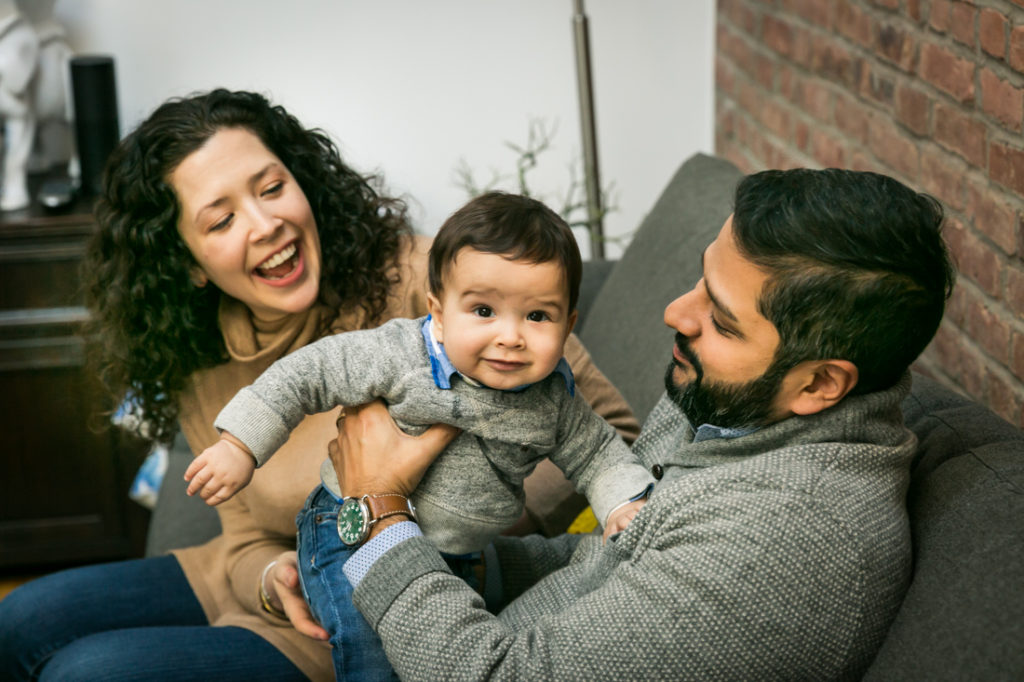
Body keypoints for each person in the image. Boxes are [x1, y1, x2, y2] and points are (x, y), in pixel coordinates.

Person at [0, 89, 639, 681]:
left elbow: (610, 432)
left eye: (272, 188)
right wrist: (270, 578)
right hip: (281, 580)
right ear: (188, 264)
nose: (264, 224)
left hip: (384, 600)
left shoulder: (438, 283)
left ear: (305, 185)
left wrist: (458, 514)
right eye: (220, 221)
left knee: (85, 673)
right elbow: (244, 537)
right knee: (17, 622)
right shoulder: (198, 355)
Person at [314, 167, 957, 680]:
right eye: (700, 280)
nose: (677, 312)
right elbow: (619, 557)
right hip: (450, 624)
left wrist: (375, 517)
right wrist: (381, 561)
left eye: (723, 319)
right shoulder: (737, 407)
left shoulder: (782, 548)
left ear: (820, 383)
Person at [184, 191, 654, 679]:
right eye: (484, 311)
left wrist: (623, 505)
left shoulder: (554, 399)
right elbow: (308, 374)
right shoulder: (403, 354)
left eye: (538, 316)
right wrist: (240, 445)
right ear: (440, 311)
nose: (510, 336)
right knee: (377, 658)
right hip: (349, 532)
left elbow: (600, 451)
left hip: (457, 552)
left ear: (568, 324)